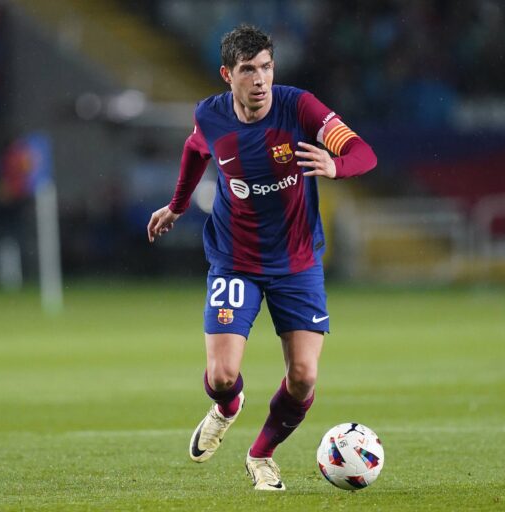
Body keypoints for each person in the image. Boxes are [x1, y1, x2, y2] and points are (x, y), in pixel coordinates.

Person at [146, 24, 377, 491]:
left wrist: (337, 165)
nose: (260, 79)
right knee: (223, 373)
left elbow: (362, 152)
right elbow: (195, 151)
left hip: (297, 261)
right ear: (227, 74)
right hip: (235, 260)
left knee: (303, 378)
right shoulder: (210, 116)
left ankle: (261, 455)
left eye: (267, 67)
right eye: (248, 70)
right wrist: (178, 205)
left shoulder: (299, 107)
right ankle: (227, 408)